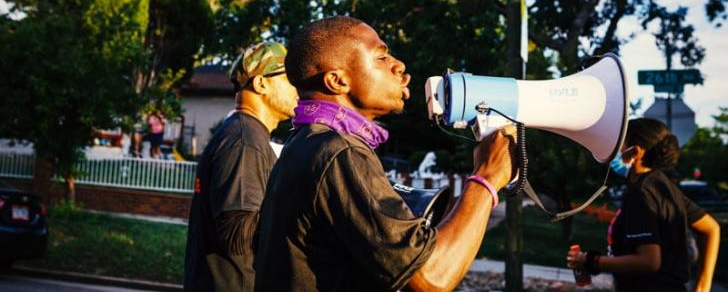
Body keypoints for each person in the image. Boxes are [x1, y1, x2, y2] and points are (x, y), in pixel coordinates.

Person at [254, 16, 515, 291]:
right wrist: (486, 178)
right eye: (381, 57)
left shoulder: (304, 143)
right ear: (337, 80)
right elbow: (431, 278)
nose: (399, 65)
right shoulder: (339, 152)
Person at [184, 42, 298, 292]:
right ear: (260, 84)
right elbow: (236, 233)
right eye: (289, 79)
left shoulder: (244, 135)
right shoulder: (245, 141)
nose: (297, 88)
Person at [566, 118, 721, 292]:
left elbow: (649, 262)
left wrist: (590, 261)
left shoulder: (640, 193)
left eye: (621, 144)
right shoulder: (663, 185)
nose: (616, 150)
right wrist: (702, 287)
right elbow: (711, 227)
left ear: (636, 152)